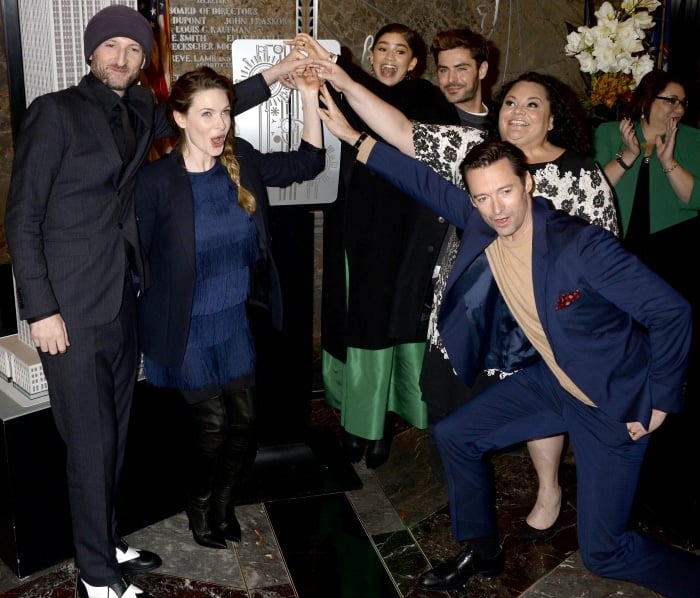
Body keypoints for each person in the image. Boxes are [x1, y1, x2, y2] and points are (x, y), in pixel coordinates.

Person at [317, 100, 700, 592]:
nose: (497, 209)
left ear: (529, 185)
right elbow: (421, 181)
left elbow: (671, 311)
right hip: (557, 381)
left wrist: (662, 398)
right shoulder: (483, 223)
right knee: (456, 434)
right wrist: (351, 134)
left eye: (505, 192)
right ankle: (481, 550)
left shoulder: (579, 245)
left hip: (614, 403)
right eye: (482, 198)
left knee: (606, 553)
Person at [3, 6, 313, 598]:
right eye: (111, 47)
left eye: (134, 49)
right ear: (91, 53)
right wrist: (40, 309)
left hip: (121, 298)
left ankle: (104, 537)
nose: (121, 57)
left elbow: (209, 109)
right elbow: (22, 219)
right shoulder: (56, 112)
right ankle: (96, 576)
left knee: (113, 435)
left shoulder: (140, 108)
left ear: (144, 61)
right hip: (68, 309)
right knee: (90, 444)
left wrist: (278, 74)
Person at [312, 61, 619, 539]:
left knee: (539, 413)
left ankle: (548, 488)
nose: (517, 112)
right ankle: (469, 512)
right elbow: (403, 134)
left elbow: (607, 260)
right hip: (467, 313)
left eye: (532, 104)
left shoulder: (580, 175)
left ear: (553, 118)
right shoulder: (475, 152)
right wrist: (347, 88)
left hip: (536, 323)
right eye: (511, 102)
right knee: (452, 414)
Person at [134, 66, 325, 550]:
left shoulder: (242, 163)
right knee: (213, 426)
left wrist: (307, 95)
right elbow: (135, 257)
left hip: (233, 320)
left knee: (244, 422)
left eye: (225, 112)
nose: (220, 124)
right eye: (206, 114)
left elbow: (309, 163)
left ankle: (222, 504)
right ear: (179, 119)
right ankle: (198, 506)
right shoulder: (155, 182)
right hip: (186, 328)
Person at [293, 26, 458, 468]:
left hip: (402, 233)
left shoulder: (429, 102)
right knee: (356, 321)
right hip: (352, 226)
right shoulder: (355, 90)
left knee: (388, 322)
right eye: (382, 48)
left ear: (414, 63)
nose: (389, 57)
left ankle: (380, 425)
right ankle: (354, 421)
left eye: (400, 51)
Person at [430, 28, 495, 130]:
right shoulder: (428, 120)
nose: (451, 79)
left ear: (482, 70)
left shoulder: (504, 120)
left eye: (461, 69)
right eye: (444, 70)